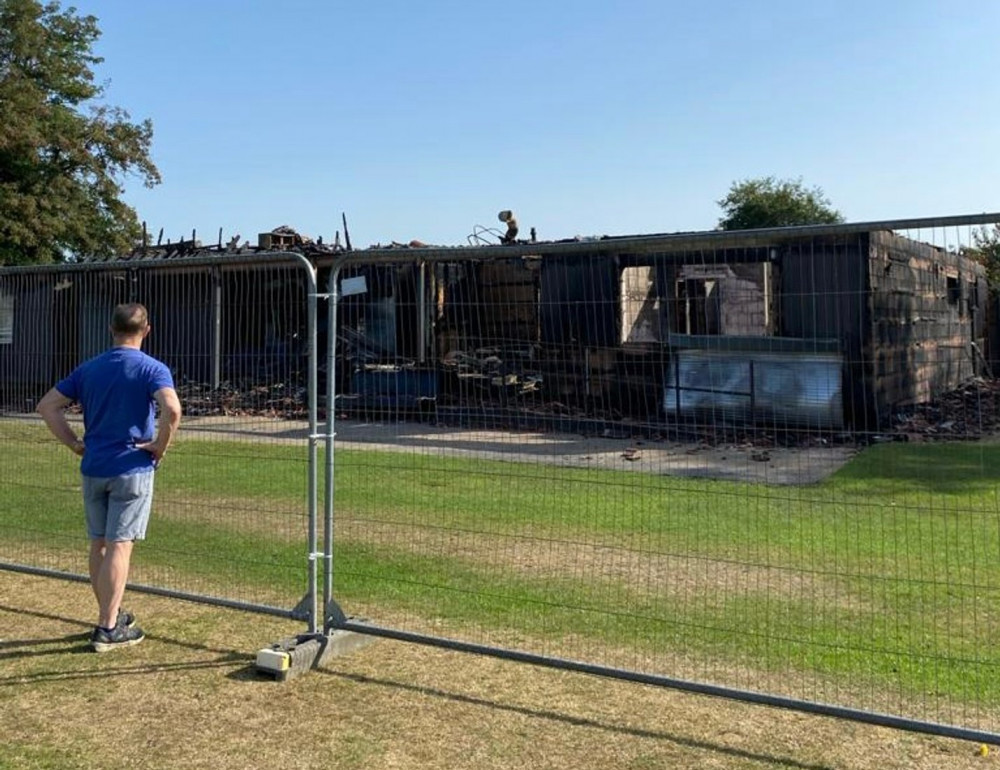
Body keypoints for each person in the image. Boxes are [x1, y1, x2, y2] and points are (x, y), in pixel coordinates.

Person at [37, 303, 182, 652]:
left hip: (94, 467)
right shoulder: (152, 368)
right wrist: (160, 446)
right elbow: (173, 409)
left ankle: (110, 614)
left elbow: (47, 406)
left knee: (98, 543)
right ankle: (107, 627)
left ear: (110, 329)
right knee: (120, 545)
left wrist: (74, 443)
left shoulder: (90, 368)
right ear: (147, 330)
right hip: (131, 468)